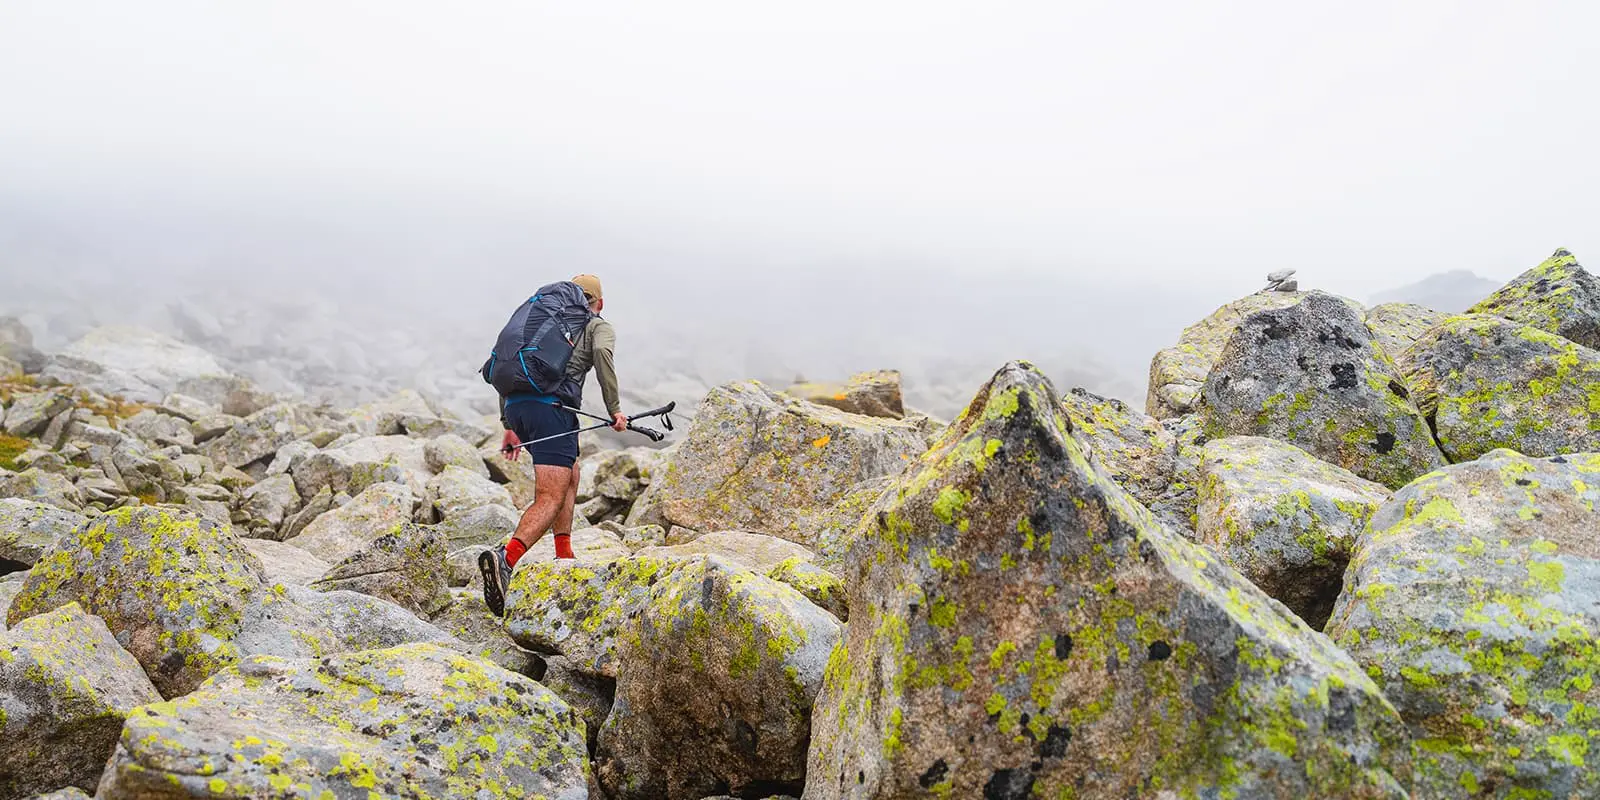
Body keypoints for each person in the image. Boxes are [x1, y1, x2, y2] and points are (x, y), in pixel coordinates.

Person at [479, 273, 625, 616]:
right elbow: (603, 352)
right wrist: (615, 410)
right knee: (551, 494)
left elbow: (508, 365)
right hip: (552, 411)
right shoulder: (595, 325)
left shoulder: (539, 322)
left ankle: (564, 553)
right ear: (598, 302)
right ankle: (506, 557)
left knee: (570, 472)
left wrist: (509, 424)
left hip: (518, 407)